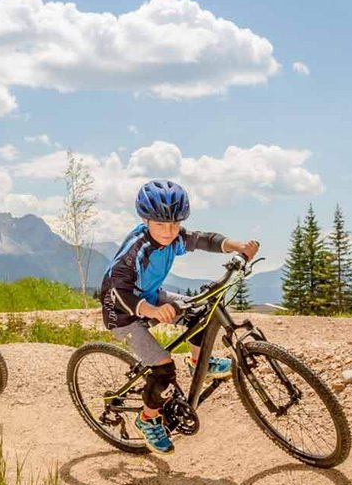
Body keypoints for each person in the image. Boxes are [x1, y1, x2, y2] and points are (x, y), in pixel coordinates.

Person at [99, 179, 259, 454]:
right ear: (145, 219)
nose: (169, 231)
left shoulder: (175, 236)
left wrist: (238, 246)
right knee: (163, 368)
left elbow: (202, 239)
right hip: (122, 312)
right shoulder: (135, 250)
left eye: (175, 223)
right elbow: (117, 290)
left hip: (149, 294)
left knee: (199, 312)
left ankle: (199, 362)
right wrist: (150, 311)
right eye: (161, 224)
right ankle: (147, 419)